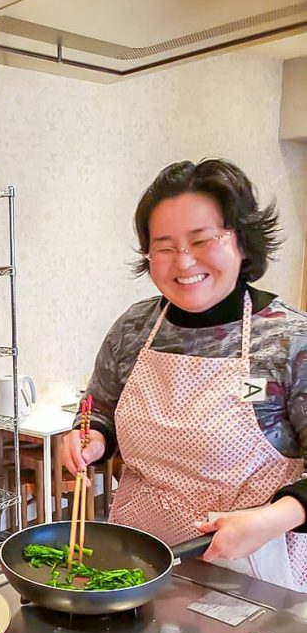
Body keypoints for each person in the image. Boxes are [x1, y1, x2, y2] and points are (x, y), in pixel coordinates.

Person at [63, 158, 307, 591]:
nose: (183, 261)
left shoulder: (290, 339)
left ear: (242, 242)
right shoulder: (134, 328)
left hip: (254, 571)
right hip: (137, 563)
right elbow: (98, 409)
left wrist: (270, 518)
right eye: (164, 246)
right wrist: (93, 439)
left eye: (202, 239)